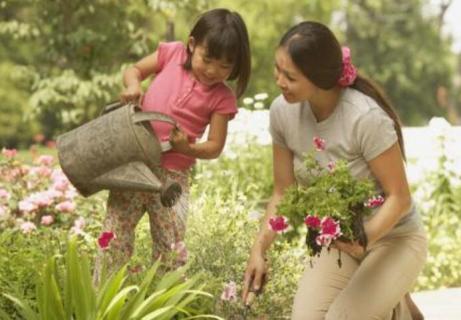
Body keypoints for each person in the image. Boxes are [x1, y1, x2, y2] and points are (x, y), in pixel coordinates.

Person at [242, 21, 427, 320]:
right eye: (278, 69)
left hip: (395, 239)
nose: (279, 80)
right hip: (340, 242)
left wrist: (363, 239)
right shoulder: (282, 112)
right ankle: (396, 307)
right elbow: (283, 191)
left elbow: (400, 197)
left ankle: (393, 305)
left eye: (290, 76)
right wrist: (259, 249)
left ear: (320, 78)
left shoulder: (364, 118)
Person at [93, 8, 251, 282]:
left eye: (225, 66)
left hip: (172, 180)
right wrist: (133, 86)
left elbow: (214, 146)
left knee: (170, 250)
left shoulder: (222, 97)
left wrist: (187, 149)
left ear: (236, 65)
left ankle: (163, 307)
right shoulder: (173, 54)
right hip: (134, 165)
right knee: (114, 237)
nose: (213, 71)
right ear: (192, 45)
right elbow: (134, 70)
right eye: (207, 59)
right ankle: (101, 299)